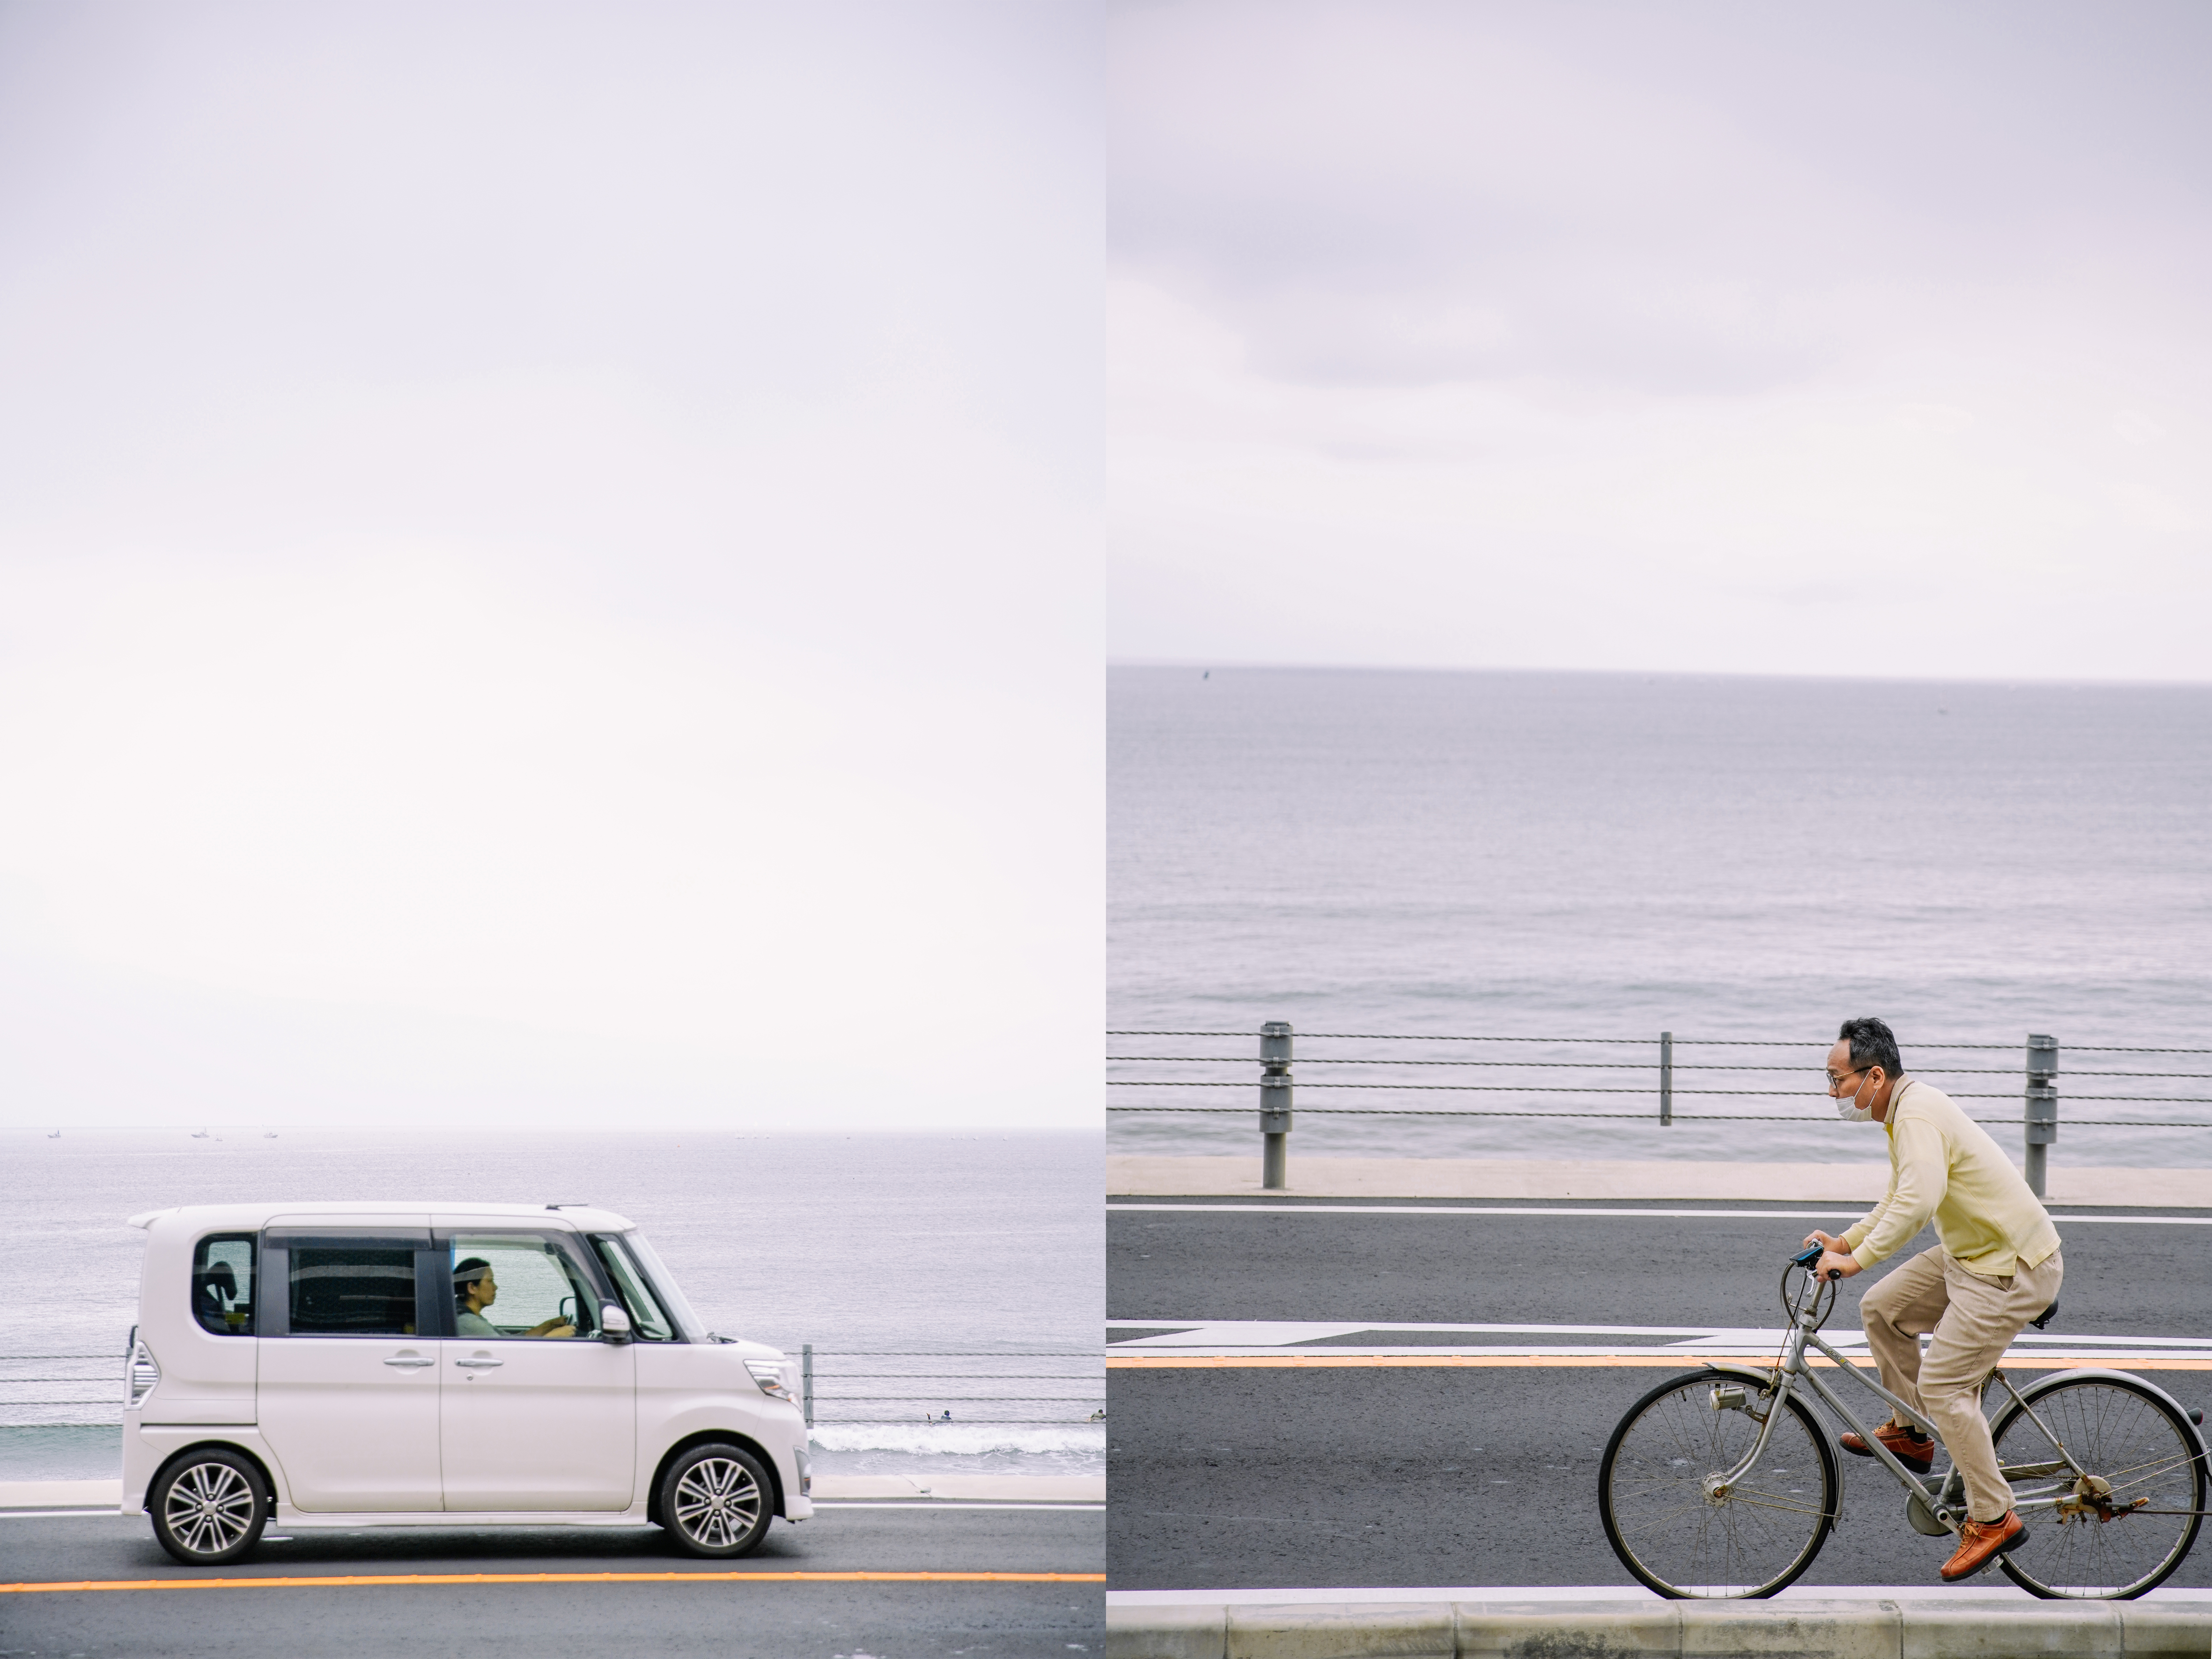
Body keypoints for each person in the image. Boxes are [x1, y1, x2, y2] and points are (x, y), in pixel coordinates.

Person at [1803, 1017, 2063, 1582]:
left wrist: (1856, 1259)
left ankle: (1993, 1518)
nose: (1831, 1094)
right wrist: (1846, 1240)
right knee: (1881, 1308)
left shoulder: (1915, 1114)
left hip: (2008, 1266)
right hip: (1972, 1256)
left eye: (1835, 1079)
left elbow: (1918, 1204)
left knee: (1945, 1383)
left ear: (1873, 1076)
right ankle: (1913, 1432)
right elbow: (1898, 1197)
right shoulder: (1899, 1112)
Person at [453, 1257, 576, 1339]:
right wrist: (552, 1338)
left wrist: (552, 1324)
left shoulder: (472, 1318)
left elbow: (513, 1340)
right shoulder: (469, 1323)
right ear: (472, 1288)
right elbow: (509, 1354)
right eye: (490, 1281)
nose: (495, 1287)